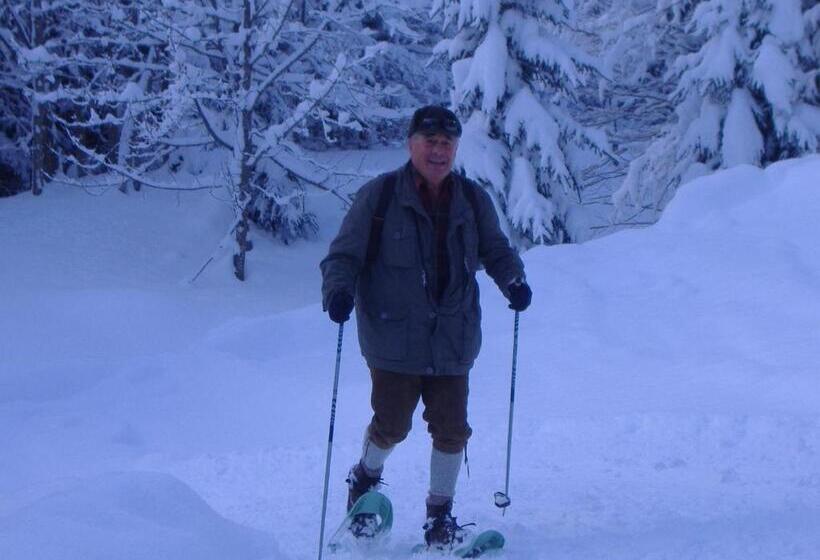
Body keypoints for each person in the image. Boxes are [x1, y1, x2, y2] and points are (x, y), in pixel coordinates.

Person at [320, 105, 531, 549]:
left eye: (447, 144)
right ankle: (364, 479)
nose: (439, 151)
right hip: (393, 337)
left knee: (452, 429)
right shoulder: (378, 198)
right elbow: (343, 256)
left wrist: (512, 279)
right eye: (430, 142)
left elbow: (495, 249)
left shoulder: (472, 200)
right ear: (411, 143)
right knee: (392, 424)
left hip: (453, 338)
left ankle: (440, 517)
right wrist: (337, 291)